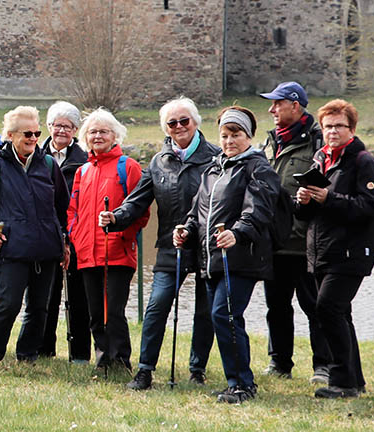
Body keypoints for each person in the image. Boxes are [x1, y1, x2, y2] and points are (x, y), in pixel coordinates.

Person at [105, 97, 217, 390]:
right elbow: (137, 201)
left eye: (184, 121)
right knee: (157, 305)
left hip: (206, 246)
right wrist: (116, 217)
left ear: (195, 123)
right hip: (171, 244)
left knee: (205, 310)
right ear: (165, 128)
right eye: (172, 123)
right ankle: (144, 371)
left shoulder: (216, 157)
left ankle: (197, 369)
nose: (179, 127)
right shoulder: (159, 162)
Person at [175, 106, 279, 404]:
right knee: (221, 316)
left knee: (226, 314)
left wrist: (238, 232)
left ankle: (243, 384)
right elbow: (198, 213)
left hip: (242, 258)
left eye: (236, 134)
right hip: (212, 260)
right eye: (224, 135)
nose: (229, 140)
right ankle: (235, 381)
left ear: (248, 136)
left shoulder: (257, 168)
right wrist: (186, 230)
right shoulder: (213, 168)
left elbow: (259, 210)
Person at [295, 99, 374, 399]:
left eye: (339, 126)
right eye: (327, 127)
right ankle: (354, 380)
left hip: (352, 252)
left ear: (351, 129)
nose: (332, 132)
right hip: (322, 251)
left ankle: (341, 380)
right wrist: (304, 201)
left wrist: (328, 198)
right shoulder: (320, 159)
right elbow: (307, 215)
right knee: (340, 313)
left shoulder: (363, 162)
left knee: (328, 308)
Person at [0, 105, 70, 365]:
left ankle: (27, 355)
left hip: (47, 250)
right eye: (27, 133)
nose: (33, 138)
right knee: (7, 304)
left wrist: (64, 241)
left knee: (40, 308)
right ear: (10, 135)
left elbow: (63, 207)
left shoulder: (49, 165)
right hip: (13, 249)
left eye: (37, 133)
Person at [258, 80, 330, 382]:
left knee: (315, 308)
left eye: (278, 104)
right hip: (273, 243)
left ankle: (323, 366)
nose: (272, 109)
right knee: (276, 307)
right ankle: (280, 363)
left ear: (295, 106)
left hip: (306, 244)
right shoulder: (270, 142)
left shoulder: (318, 143)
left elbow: (328, 189)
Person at [68, 108, 145, 373]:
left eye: (103, 131)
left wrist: (122, 234)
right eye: (92, 132)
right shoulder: (83, 171)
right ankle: (103, 361)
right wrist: (75, 237)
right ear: (85, 137)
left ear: (115, 135)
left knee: (113, 311)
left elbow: (140, 210)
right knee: (94, 314)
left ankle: (121, 361)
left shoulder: (128, 167)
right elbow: (73, 211)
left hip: (118, 252)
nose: (98, 136)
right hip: (87, 252)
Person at [38, 101, 90, 361]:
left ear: (76, 130)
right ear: (48, 127)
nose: (61, 131)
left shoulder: (84, 160)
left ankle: (79, 354)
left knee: (79, 297)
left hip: (76, 236)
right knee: (45, 295)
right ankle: (44, 349)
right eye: (57, 125)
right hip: (45, 235)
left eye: (67, 127)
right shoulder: (36, 157)